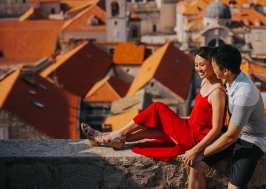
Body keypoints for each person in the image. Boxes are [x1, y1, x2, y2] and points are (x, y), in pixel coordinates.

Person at [81, 46, 226, 162]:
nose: (198, 69)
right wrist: (179, 121)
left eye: (202, 65)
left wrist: (195, 150)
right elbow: (199, 116)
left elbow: (216, 129)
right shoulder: (205, 82)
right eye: (196, 65)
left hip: (194, 139)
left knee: (157, 107)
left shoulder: (217, 92)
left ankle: (118, 134)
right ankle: (106, 138)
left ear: (212, 64)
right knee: (151, 129)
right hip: (189, 128)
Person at [186, 44, 266, 189]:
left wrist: (198, 152)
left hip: (250, 142)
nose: (211, 67)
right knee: (196, 167)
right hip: (234, 133)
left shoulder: (244, 94)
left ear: (225, 71)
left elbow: (231, 137)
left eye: (214, 65)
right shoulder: (231, 79)